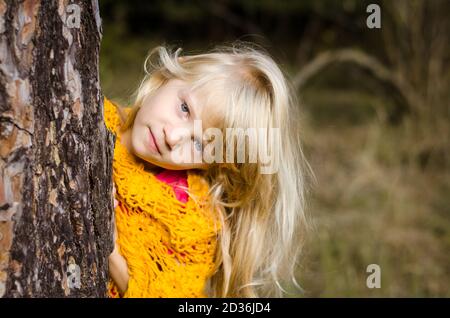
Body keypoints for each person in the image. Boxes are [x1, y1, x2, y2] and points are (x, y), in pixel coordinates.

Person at [104, 42, 314, 298]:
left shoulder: (191, 221)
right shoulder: (86, 116)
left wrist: (109, 247)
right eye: (184, 109)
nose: (173, 137)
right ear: (170, 76)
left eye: (199, 145)